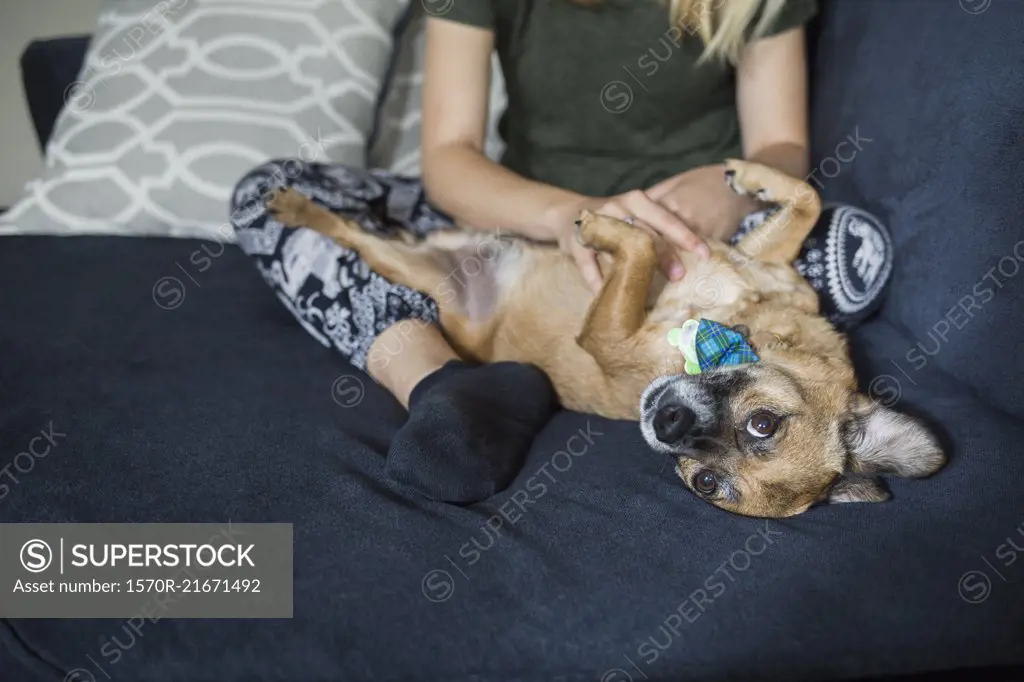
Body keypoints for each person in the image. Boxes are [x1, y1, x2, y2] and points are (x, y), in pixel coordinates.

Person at [230, 0, 892, 502]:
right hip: (524, 214)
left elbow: (780, 149)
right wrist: (563, 215)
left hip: (699, 230)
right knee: (269, 193)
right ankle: (446, 385)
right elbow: (449, 159)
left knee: (800, 220)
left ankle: (810, 279)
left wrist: (728, 185)